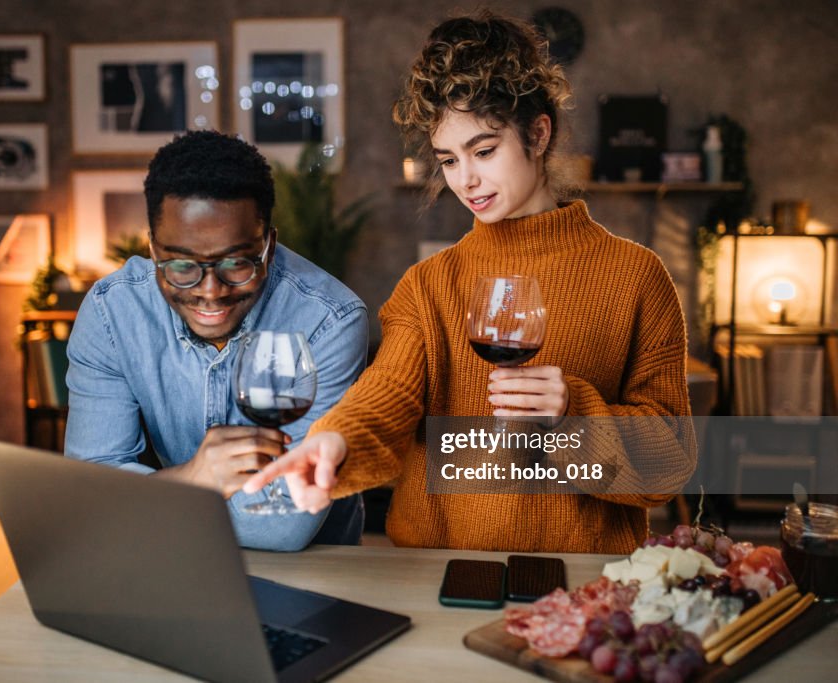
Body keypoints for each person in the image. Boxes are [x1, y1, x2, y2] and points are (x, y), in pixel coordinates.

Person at [245, 12, 696, 555]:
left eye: (483, 151)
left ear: (538, 132)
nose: (466, 180)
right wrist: (333, 442)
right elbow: (387, 397)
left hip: (582, 582)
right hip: (439, 575)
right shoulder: (427, 285)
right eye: (449, 160)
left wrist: (572, 415)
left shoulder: (637, 277)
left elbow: (669, 464)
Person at [65, 130, 368, 551]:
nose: (211, 291)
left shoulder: (329, 321)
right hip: (172, 558)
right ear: (153, 250)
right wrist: (194, 478)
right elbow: (89, 491)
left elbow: (283, 526)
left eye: (237, 263)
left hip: (315, 569)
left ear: (269, 246)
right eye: (183, 265)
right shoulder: (112, 313)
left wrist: (145, 499)